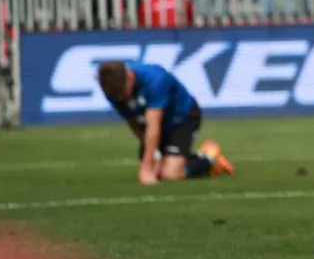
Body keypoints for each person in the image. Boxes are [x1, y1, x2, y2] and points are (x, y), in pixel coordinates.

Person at [96, 61, 234, 186]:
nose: (121, 98)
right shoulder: (112, 90)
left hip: (182, 118)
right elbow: (134, 123)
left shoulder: (155, 80)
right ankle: (187, 158)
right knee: (158, 169)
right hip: (154, 125)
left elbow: (153, 124)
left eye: (122, 93)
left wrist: (146, 167)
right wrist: (155, 156)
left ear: (129, 77)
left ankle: (209, 157)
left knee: (170, 174)